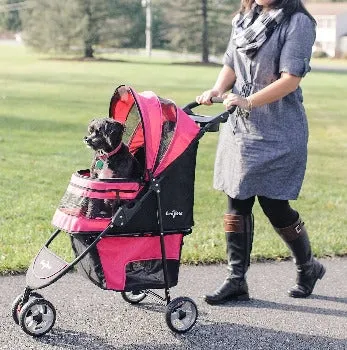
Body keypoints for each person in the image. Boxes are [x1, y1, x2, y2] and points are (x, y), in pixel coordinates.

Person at [196, 0, 326, 305]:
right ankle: (235, 279)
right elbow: (231, 61)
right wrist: (217, 90)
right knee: (235, 200)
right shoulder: (246, 16)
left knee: (275, 206)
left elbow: (290, 80)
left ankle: (308, 267)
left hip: (278, 129)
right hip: (241, 129)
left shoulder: (297, 23)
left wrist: (249, 101)